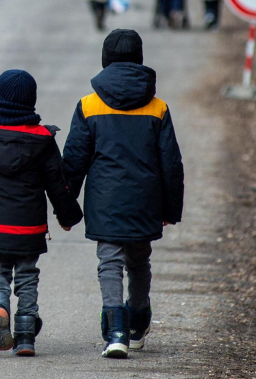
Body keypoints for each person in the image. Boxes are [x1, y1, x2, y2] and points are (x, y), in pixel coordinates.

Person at [61, 29, 184, 359]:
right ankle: (137, 321)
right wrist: (171, 209)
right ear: (140, 60)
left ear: (105, 60)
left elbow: (73, 160)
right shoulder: (157, 107)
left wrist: (65, 206)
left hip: (105, 199)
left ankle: (114, 331)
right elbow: (171, 163)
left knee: (110, 262)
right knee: (139, 261)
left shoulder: (88, 105)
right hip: (145, 199)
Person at [0, 70, 83, 357]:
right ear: (31, 101)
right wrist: (68, 216)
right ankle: (25, 336)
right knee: (27, 276)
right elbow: (57, 185)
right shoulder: (43, 140)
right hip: (29, 228)